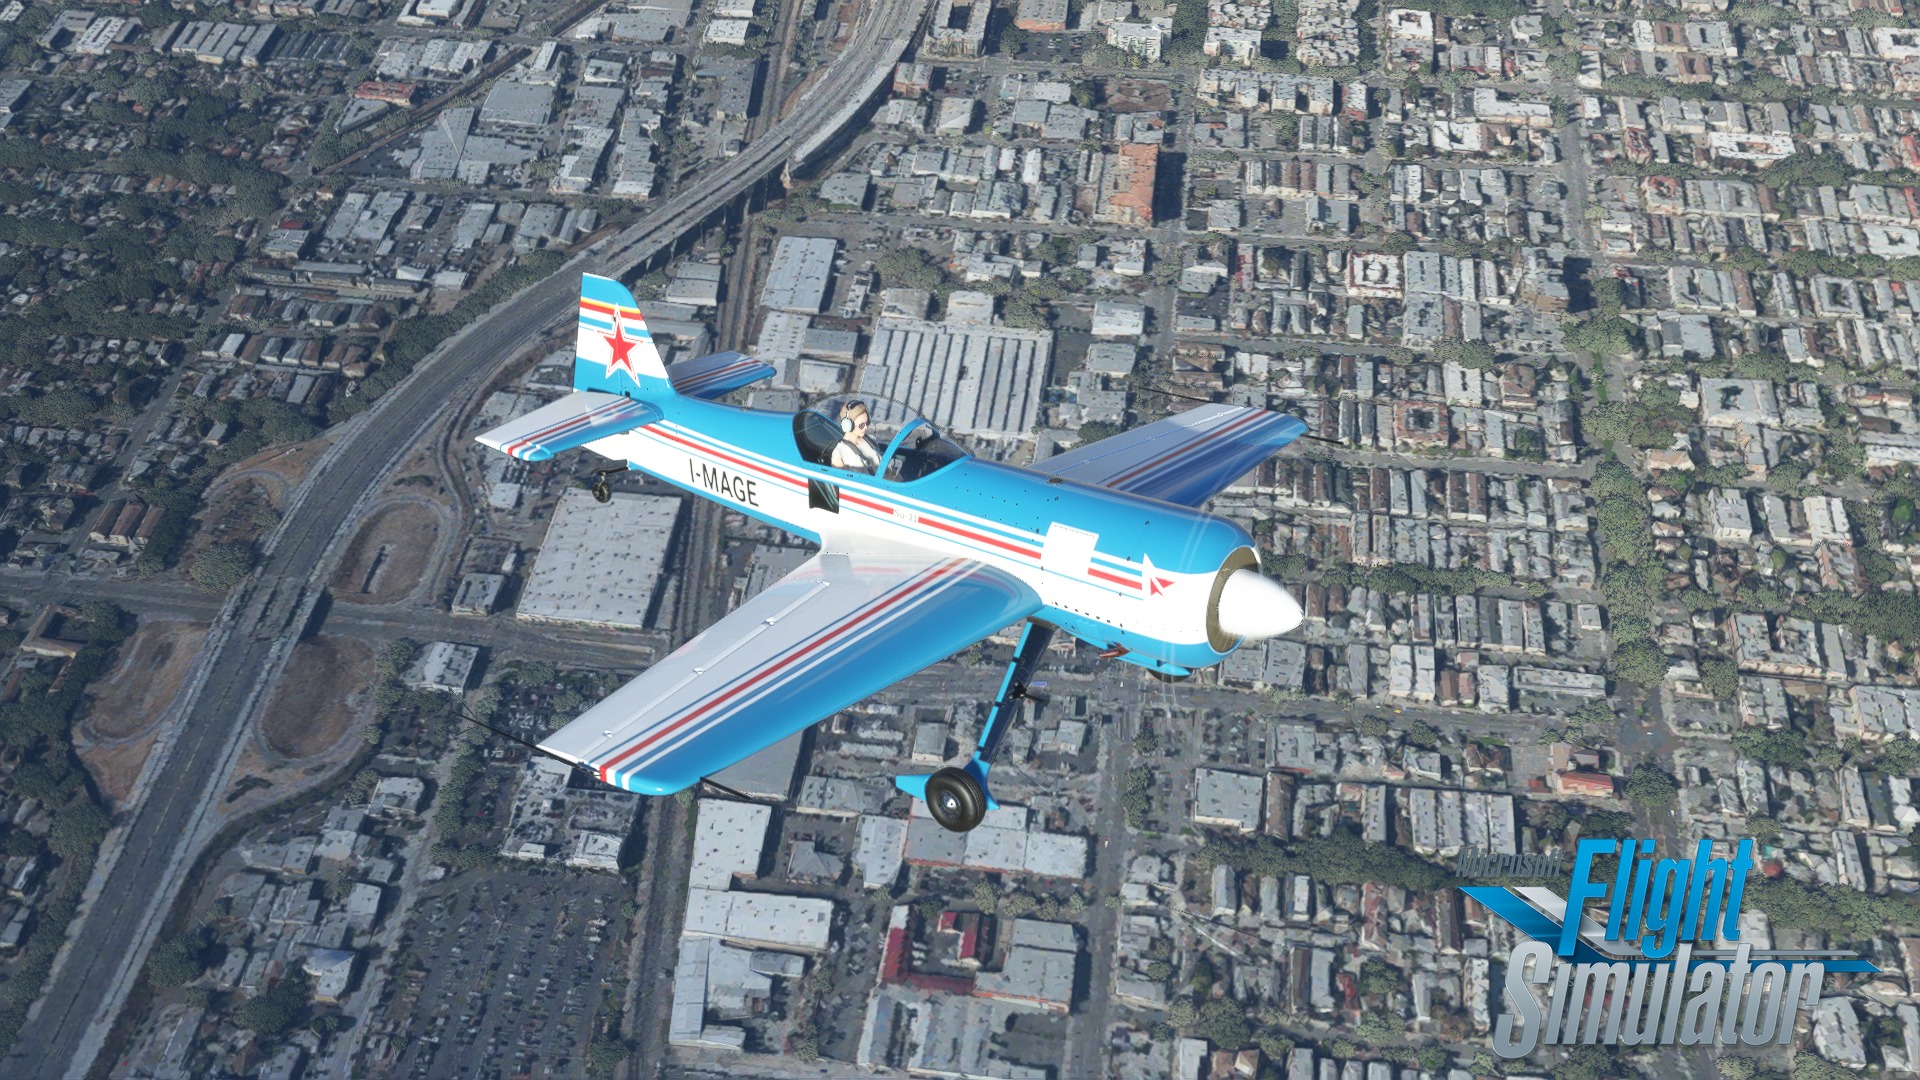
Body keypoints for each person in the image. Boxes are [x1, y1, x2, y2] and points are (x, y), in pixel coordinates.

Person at [830, 400, 882, 473]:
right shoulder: (839, 454)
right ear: (848, 425)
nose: (866, 427)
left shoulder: (871, 440)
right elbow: (839, 479)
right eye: (861, 425)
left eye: (867, 422)